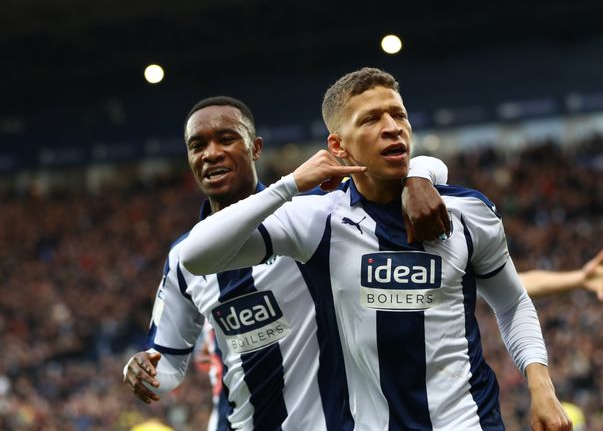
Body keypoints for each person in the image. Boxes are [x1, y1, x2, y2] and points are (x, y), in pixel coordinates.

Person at [179, 68, 572, 430]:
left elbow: (511, 303)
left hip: (469, 421)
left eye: (398, 115)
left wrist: (542, 388)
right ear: (338, 145)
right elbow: (196, 256)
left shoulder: (469, 211)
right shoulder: (315, 221)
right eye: (370, 119)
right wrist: (290, 185)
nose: (392, 128)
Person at [121, 95, 451, 430]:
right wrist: (144, 371)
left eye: (226, 138)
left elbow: (407, 167)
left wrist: (419, 177)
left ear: (256, 147)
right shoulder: (184, 257)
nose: (211, 153)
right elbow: (167, 366)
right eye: (198, 145)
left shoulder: (313, 220)